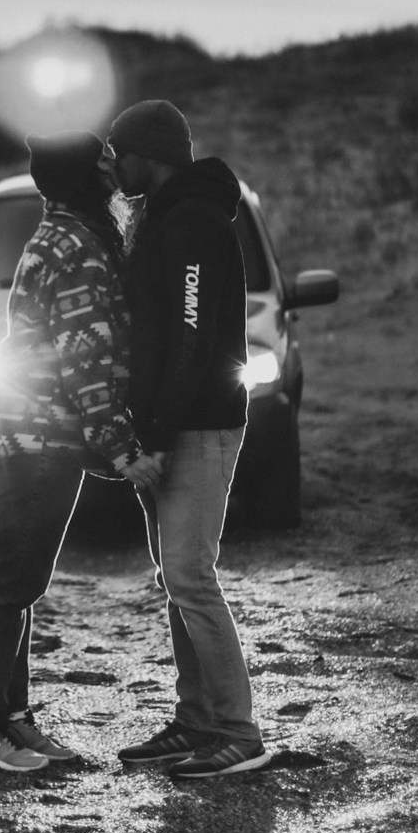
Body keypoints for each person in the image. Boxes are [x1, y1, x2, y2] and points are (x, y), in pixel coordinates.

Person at [0, 131, 164, 771]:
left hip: (33, 435)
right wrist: (124, 451)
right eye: (101, 160)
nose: (111, 167)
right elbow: (86, 359)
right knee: (12, 582)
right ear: (84, 175)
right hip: (33, 440)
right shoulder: (76, 246)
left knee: (22, 582)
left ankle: (14, 720)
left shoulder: (69, 234)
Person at [106, 99, 268, 779]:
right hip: (169, 426)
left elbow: (193, 340)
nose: (115, 166)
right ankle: (195, 720)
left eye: (122, 153)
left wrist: (163, 430)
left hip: (198, 427)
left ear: (152, 155)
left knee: (191, 578)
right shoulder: (166, 219)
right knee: (178, 580)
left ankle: (238, 732)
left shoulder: (196, 225)